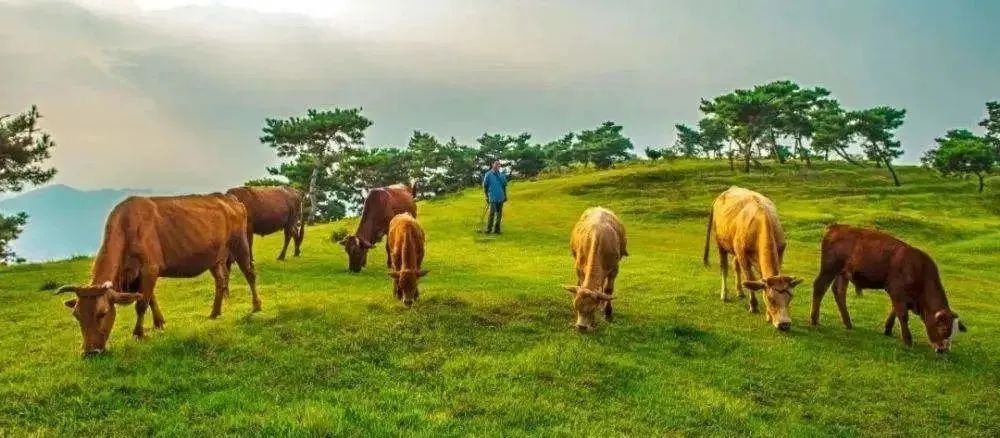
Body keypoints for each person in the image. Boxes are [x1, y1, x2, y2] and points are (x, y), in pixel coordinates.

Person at [482, 160, 508, 234]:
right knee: (492, 213)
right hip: (492, 197)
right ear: (492, 165)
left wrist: (505, 196)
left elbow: (504, 186)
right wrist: (486, 196)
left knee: (499, 214)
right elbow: (485, 186)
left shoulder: (501, 175)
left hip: (500, 196)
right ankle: (489, 229)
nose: (498, 166)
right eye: (496, 164)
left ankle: (497, 229)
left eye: (499, 165)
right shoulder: (488, 174)